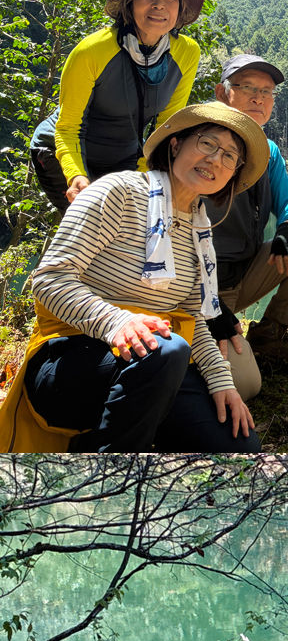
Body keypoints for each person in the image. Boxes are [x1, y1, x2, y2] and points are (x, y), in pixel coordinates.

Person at [1, 104, 269, 453]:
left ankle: (120, 439)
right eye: (207, 143)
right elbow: (50, 279)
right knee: (168, 348)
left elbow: (194, 319)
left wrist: (222, 383)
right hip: (68, 360)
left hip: (152, 365)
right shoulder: (118, 192)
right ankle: (105, 477)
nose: (216, 160)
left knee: (239, 445)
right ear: (175, 144)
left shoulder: (199, 229)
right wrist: (118, 322)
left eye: (230, 156)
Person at [206, 54, 288, 394]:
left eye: (267, 92)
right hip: (201, 288)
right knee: (247, 386)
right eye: (248, 87)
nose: (258, 98)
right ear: (222, 94)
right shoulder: (202, 148)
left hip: (246, 272)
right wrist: (206, 302)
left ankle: (271, 336)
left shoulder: (269, 152)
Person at [30, 0, 203, 216]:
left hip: (124, 154)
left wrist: (145, 176)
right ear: (128, 2)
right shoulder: (93, 51)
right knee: (88, 228)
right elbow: (67, 127)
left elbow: (166, 126)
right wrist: (76, 175)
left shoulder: (187, 52)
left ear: (180, 8)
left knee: (131, 230)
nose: (159, 4)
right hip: (63, 151)